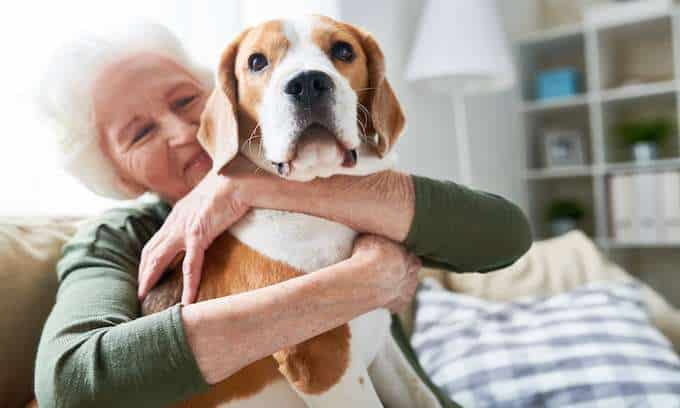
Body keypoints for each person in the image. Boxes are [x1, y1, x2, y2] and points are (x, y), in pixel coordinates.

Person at [34, 21, 532, 407]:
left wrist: (243, 185)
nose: (182, 132)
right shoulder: (116, 238)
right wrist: (361, 285)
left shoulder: (329, 170)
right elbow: (73, 384)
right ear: (119, 176)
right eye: (140, 133)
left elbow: (506, 236)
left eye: (186, 100)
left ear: (228, 100)